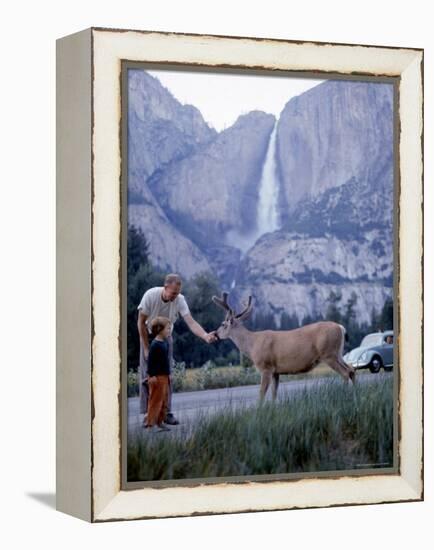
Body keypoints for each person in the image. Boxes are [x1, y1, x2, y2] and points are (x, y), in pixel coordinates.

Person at [137, 273, 217, 425]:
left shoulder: (180, 300)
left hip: (167, 338)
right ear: (165, 287)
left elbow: (191, 322)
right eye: (173, 293)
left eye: (178, 293)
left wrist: (206, 336)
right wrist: (146, 348)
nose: (176, 296)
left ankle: (166, 413)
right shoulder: (150, 295)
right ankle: (148, 414)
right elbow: (140, 323)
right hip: (148, 336)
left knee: (167, 376)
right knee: (147, 377)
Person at [145, 317, 172, 433]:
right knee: (155, 401)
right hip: (156, 378)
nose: (169, 331)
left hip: (164, 377)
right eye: (168, 328)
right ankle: (151, 424)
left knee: (164, 401)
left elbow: (165, 362)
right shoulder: (155, 345)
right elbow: (151, 362)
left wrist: (169, 374)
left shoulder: (165, 343)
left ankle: (160, 422)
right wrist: (151, 376)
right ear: (159, 329)